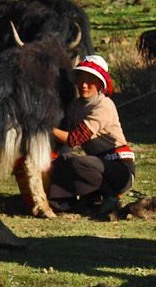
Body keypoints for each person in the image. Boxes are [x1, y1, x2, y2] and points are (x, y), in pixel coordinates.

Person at [49, 55, 135, 215]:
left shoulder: (104, 107)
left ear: (100, 84)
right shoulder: (76, 106)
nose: (84, 85)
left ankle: (110, 195)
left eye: (90, 80)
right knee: (60, 161)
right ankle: (63, 202)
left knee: (77, 162)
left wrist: (44, 127)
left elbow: (73, 139)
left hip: (120, 169)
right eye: (81, 79)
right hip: (96, 164)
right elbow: (64, 132)